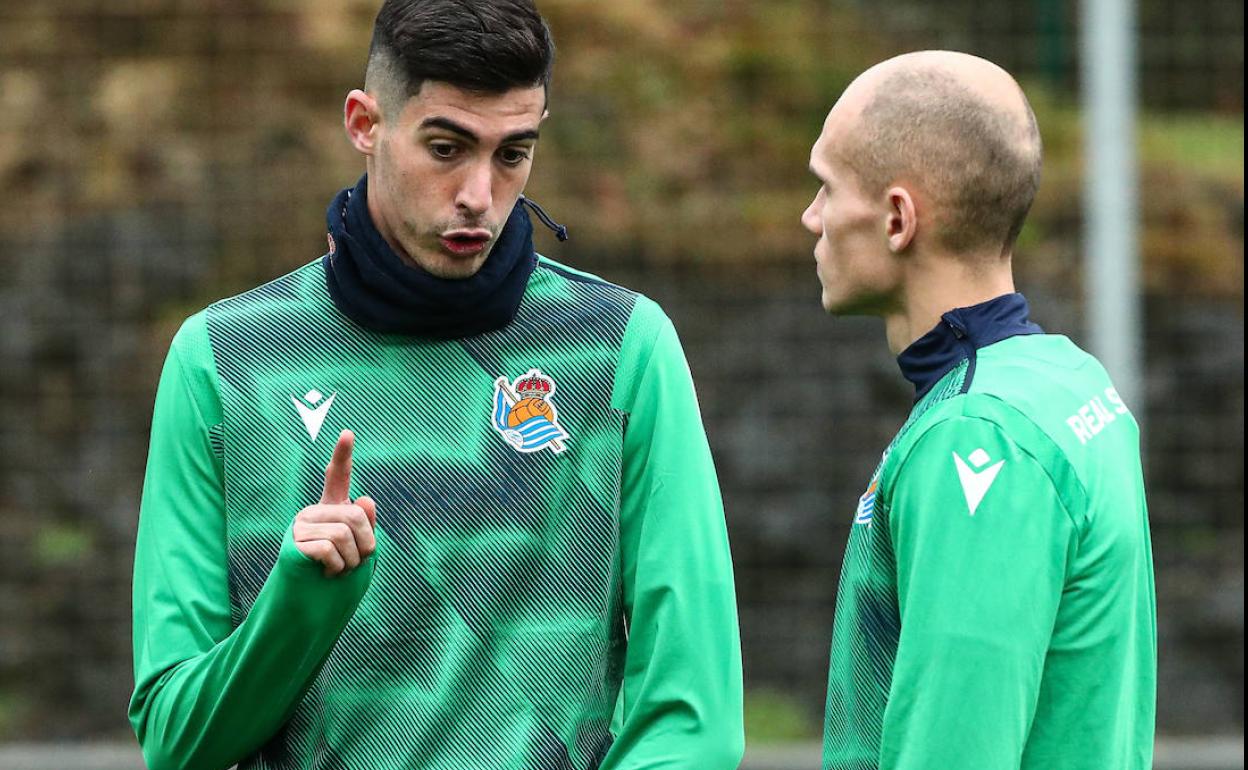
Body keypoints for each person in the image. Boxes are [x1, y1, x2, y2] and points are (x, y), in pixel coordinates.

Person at [128, 2, 744, 768]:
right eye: (447, 147)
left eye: (513, 154)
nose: (479, 194)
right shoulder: (220, 360)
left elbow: (693, 720)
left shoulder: (623, 347)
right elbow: (175, 741)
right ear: (364, 123)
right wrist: (299, 602)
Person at [801, 51, 1156, 769]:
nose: (811, 217)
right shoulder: (1067, 382)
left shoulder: (981, 433)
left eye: (825, 188)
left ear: (898, 218)